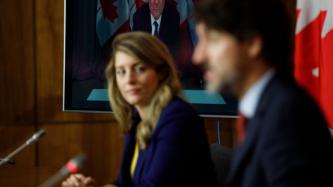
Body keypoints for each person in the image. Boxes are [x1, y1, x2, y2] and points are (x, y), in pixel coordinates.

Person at [192, 0, 333, 187]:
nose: (198, 56)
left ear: (252, 43)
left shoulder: (286, 117)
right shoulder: (264, 108)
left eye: (213, 39)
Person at [62, 32, 217, 187]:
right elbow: (123, 183)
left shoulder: (178, 119)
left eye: (140, 69)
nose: (129, 80)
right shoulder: (137, 119)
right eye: (121, 71)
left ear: (161, 73)